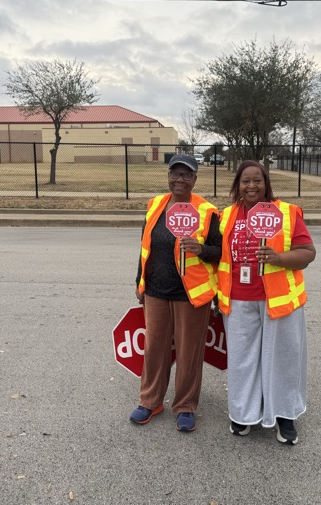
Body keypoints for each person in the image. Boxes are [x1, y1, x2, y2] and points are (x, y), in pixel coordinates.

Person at [217, 160, 316, 444]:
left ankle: (285, 415)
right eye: (245, 181)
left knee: (283, 360)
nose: (251, 186)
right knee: (241, 360)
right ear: (237, 185)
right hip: (237, 300)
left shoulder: (286, 212)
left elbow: (308, 253)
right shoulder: (225, 216)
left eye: (257, 180)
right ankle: (243, 414)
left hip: (280, 301)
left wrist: (279, 259)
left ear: (266, 183)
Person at [131, 154, 222, 433]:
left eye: (186, 175)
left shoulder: (208, 212)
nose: (180, 179)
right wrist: (140, 283)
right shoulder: (155, 205)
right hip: (156, 290)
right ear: (168, 176)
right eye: (175, 173)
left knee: (188, 352)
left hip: (191, 295)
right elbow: (145, 247)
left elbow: (221, 254)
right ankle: (150, 401)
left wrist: (201, 249)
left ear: (195, 179)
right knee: (154, 348)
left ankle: (185, 406)